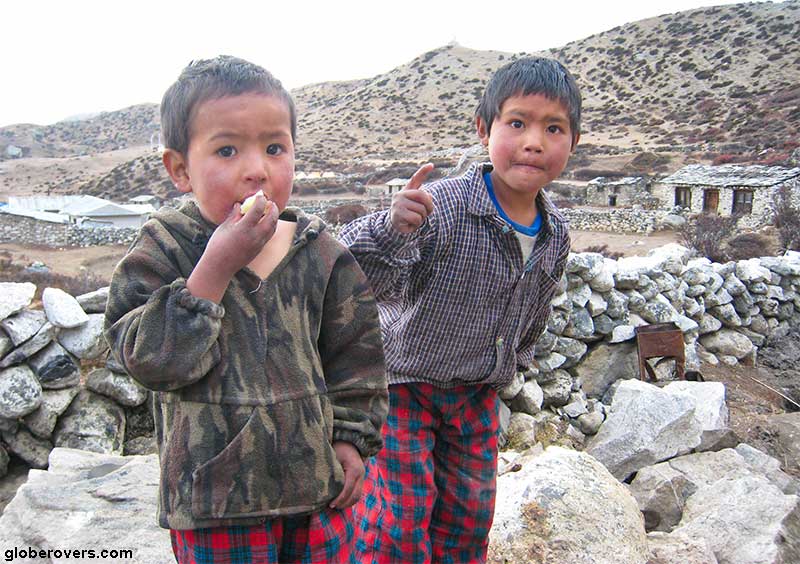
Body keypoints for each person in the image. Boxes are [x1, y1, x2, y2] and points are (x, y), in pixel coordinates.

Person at [104, 55, 388, 564]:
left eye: (275, 148)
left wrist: (351, 439)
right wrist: (214, 269)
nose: (257, 169)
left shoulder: (321, 253)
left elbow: (356, 357)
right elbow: (148, 362)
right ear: (180, 169)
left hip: (315, 490)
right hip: (214, 502)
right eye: (227, 150)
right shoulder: (165, 248)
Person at [339, 56, 580, 563]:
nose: (534, 142)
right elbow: (356, 275)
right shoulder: (440, 206)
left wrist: (512, 363)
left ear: (573, 142)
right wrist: (392, 228)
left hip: (475, 396)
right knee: (399, 520)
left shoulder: (555, 235)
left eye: (553, 128)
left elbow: (534, 310)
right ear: (483, 129)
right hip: (404, 389)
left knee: (469, 520)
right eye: (517, 123)